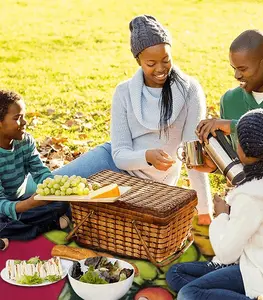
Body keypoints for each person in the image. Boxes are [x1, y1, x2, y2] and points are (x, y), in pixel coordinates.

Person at [36, 15, 212, 224]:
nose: (160, 69)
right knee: (45, 189)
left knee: (91, 215)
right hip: (113, 163)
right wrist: (146, 156)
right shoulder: (124, 92)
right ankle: (14, 213)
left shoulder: (190, 90)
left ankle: (62, 217)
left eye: (166, 60)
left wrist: (204, 211)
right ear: (138, 60)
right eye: (150, 63)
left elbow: (193, 156)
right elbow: (119, 155)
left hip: (150, 186)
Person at [166, 108, 263, 300]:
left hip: (258, 273)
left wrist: (222, 215)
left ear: (244, 150)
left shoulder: (251, 197)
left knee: (188, 293)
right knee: (176, 273)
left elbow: (226, 252)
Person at [195, 29, 263, 173]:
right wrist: (217, 167)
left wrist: (235, 127)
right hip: (250, 191)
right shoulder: (230, 100)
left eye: (242, 69)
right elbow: (238, 161)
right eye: (234, 68)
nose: (236, 75)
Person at [0, 90, 70, 242]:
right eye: (17, 118)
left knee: (64, 203)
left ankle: (13, 232)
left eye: (24, 116)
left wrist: (54, 189)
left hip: (21, 202)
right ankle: (46, 225)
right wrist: (28, 205)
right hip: (4, 208)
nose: (24, 122)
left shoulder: (25, 141)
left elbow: (40, 172)